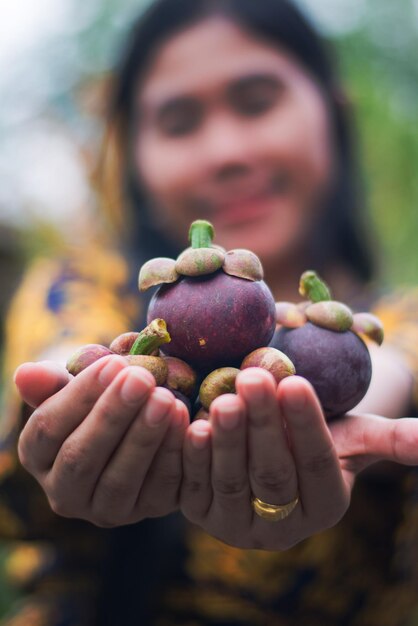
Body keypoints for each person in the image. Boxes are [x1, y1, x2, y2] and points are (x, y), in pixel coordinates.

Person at [2, 0, 418, 624]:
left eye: (257, 101)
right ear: (135, 155)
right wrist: (81, 403)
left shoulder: (399, 315)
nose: (225, 151)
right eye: (178, 121)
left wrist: (350, 400)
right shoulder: (81, 283)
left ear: (332, 112)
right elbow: (73, 344)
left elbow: (395, 356)